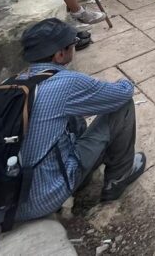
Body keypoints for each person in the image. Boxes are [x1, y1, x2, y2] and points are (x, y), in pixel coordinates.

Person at [14, 19, 145, 221]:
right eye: (72, 44)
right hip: (44, 197)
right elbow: (122, 94)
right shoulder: (66, 83)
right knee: (123, 108)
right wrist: (126, 81)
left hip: (14, 194)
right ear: (59, 54)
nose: (74, 47)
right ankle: (119, 177)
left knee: (74, 118)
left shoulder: (15, 82)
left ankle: (83, 173)